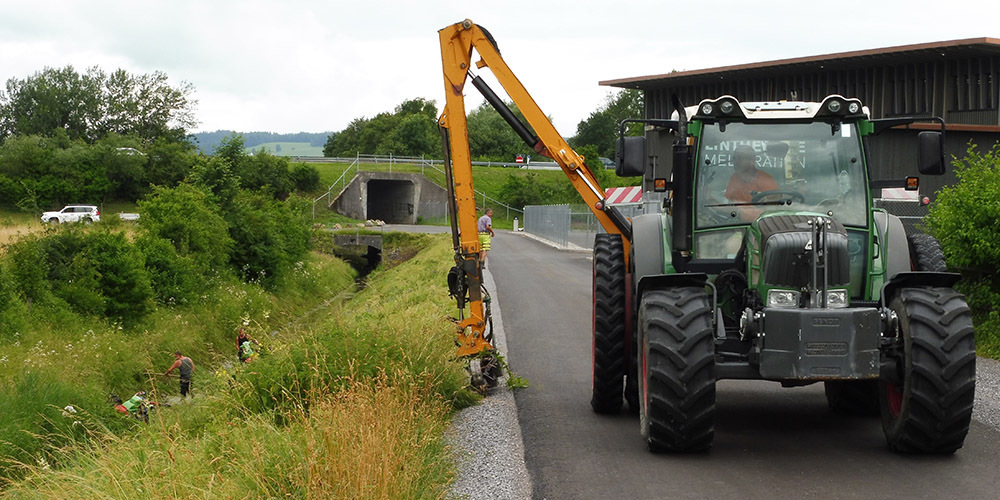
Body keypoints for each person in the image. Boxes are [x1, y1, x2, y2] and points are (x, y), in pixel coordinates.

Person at [724, 145, 779, 221]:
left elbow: (773, 208)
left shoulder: (765, 179)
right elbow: (730, 206)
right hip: (737, 224)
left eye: (740, 158)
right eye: (734, 158)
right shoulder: (734, 178)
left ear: (752, 160)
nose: (735, 162)